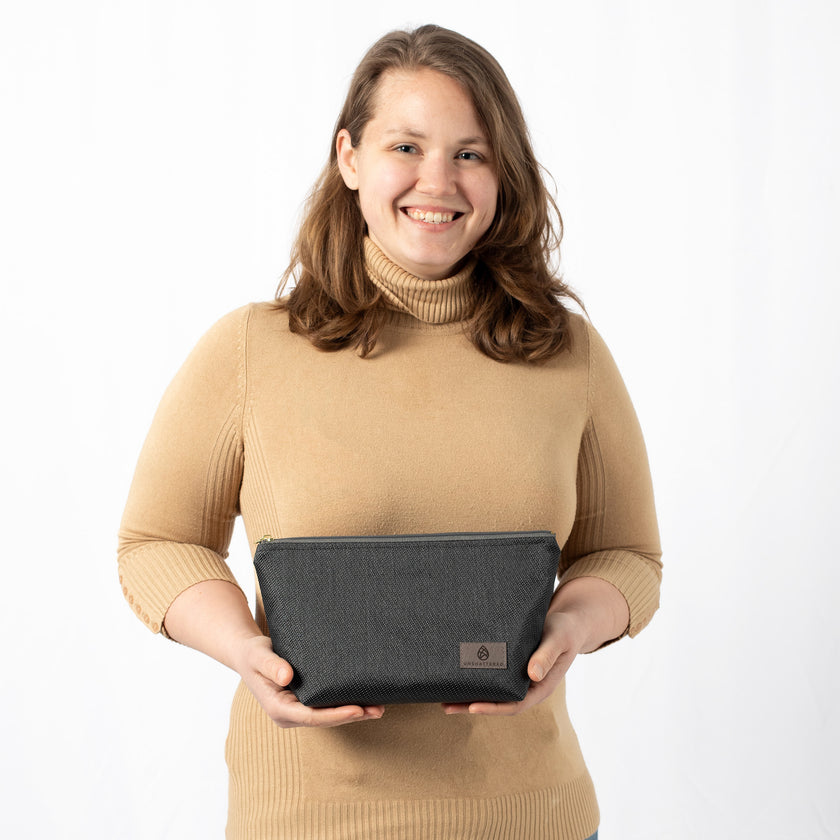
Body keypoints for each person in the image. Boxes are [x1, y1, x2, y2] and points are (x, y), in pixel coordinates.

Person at [118, 23, 661, 840]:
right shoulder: (250, 350)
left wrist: (570, 629)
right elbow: (157, 542)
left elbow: (627, 557)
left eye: (470, 154)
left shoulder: (569, 354)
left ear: (502, 176)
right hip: (307, 819)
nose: (435, 180)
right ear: (349, 159)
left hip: (528, 816)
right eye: (405, 146)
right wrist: (243, 650)